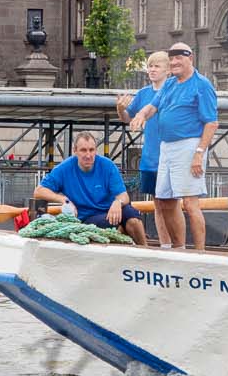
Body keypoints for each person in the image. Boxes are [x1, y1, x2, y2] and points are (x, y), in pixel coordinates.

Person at [129, 42, 218, 251]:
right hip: (166, 146)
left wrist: (199, 153)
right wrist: (141, 115)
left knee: (189, 202)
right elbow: (153, 106)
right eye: (172, 58)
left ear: (190, 59)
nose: (175, 61)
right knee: (164, 198)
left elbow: (211, 122)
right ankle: (178, 247)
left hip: (189, 145)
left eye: (179, 57)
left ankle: (200, 251)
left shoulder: (201, 84)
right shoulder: (169, 84)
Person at [33, 132, 146, 245]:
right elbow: (38, 191)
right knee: (115, 225)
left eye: (91, 150)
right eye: (83, 150)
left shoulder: (108, 165)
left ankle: (146, 252)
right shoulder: (64, 168)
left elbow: (124, 196)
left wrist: (118, 202)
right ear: (75, 151)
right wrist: (63, 200)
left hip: (112, 211)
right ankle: (123, 237)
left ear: (96, 150)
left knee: (133, 217)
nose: (88, 155)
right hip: (88, 218)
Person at [117, 50, 170, 243]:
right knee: (158, 203)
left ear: (167, 70)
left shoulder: (172, 91)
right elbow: (126, 118)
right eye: (150, 66)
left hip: (170, 155)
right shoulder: (143, 93)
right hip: (150, 158)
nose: (152, 70)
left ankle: (176, 244)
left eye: (157, 66)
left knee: (171, 203)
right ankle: (165, 244)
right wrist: (120, 107)